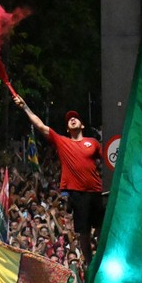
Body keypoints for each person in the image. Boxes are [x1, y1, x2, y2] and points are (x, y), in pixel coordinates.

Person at [13, 95, 103, 264]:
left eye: (76, 118)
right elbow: (39, 125)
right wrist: (25, 106)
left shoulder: (93, 143)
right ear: (68, 129)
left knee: (100, 229)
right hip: (78, 194)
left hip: (96, 191)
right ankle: (89, 263)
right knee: (83, 232)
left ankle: (103, 256)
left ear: (82, 125)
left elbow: (108, 159)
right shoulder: (62, 142)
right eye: (70, 120)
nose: (73, 120)